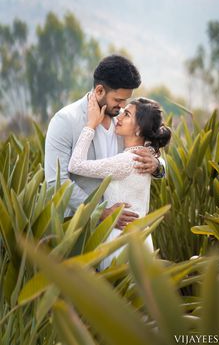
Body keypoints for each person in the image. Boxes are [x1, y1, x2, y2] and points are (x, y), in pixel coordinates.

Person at [45, 55, 165, 226]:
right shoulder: (65, 120)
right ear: (100, 91)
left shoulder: (124, 120)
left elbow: (154, 152)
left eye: (126, 100)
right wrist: (98, 211)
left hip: (120, 232)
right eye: (118, 100)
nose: (123, 106)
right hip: (78, 228)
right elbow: (56, 181)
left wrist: (156, 165)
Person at [68, 94, 171, 269]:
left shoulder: (126, 161)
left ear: (139, 129)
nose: (119, 117)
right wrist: (157, 164)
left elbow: (75, 165)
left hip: (120, 243)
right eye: (123, 112)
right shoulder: (146, 155)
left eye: (127, 115)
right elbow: (157, 160)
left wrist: (90, 125)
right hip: (142, 241)